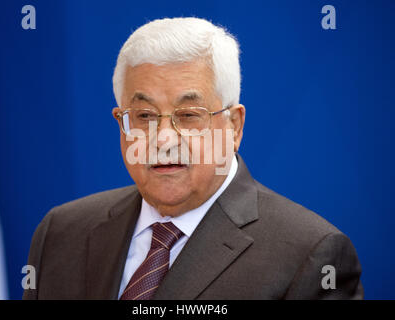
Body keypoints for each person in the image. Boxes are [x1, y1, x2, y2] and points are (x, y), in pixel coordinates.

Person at [23, 17, 363, 300]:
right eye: (143, 115)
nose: (164, 139)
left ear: (234, 126)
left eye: (188, 115)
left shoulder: (311, 256)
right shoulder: (61, 232)